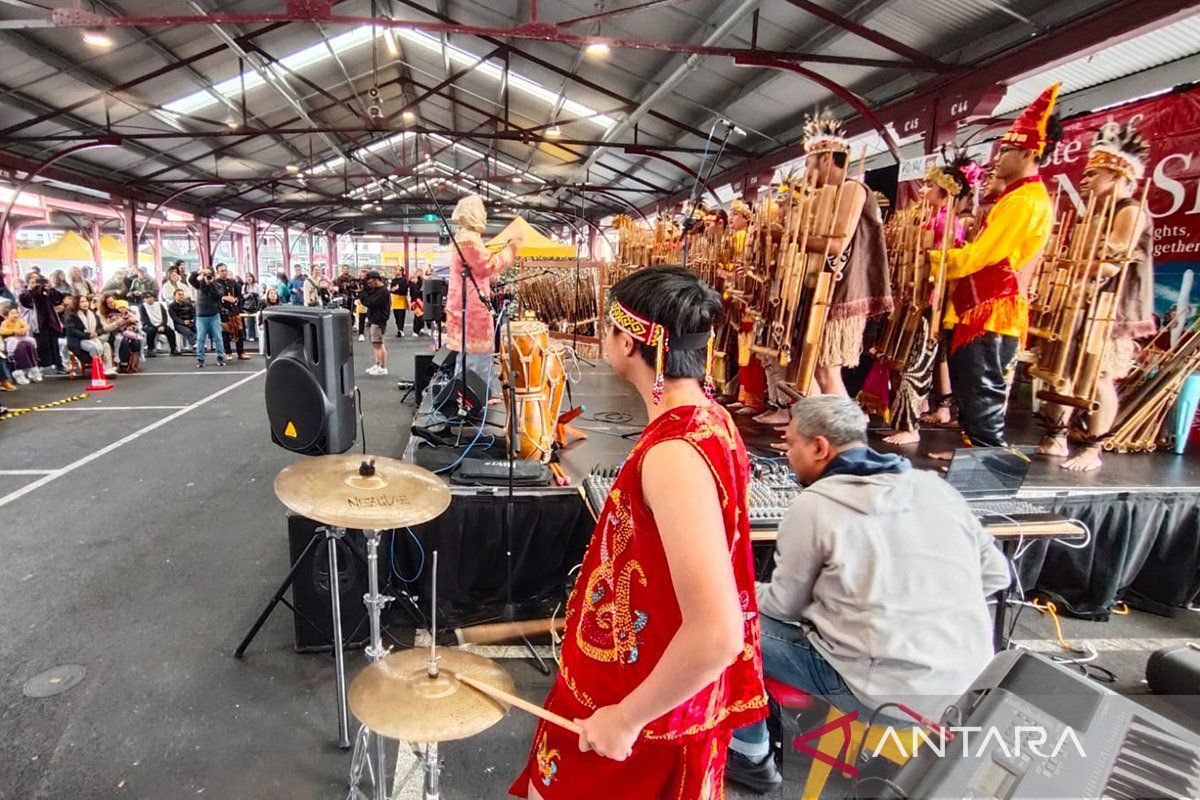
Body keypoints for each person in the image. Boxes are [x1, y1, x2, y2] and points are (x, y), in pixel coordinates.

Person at [511, 266, 766, 800]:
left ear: (629, 342)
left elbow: (719, 633)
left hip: (638, 716)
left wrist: (626, 718)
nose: (604, 337)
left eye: (608, 329)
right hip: (631, 685)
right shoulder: (711, 418)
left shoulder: (675, 455)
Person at [725, 395, 1011, 793]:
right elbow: (997, 574)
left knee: (729, 622)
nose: (787, 455)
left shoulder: (815, 506)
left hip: (882, 695)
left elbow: (782, 605)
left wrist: (740, 590)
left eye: (790, 444)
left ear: (820, 446)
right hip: (967, 687)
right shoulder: (934, 488)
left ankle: (749, 754)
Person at [928, 83, 1061, 458]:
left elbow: (982, 256)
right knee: (972, 386)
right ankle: (972, 456)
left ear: (1028, 153)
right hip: (981, 306)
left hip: (992, 309)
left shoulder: (1025, 200)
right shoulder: (1016, 197)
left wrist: (937, 261)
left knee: (983, 389)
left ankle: (988, 467)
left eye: (1005, 151)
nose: (998, 158)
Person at [1036, 120, 1155, 472]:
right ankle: (1056, 435)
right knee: (1064, 372)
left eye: (1093, 173)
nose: (1084, 180)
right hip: (1081, 301)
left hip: (1110, 308)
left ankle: (1094, 448)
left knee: (1098, 376)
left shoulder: (1130, 210)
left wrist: (1069, 267)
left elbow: (1111, 266)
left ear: (1118, 175)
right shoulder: (1094, 212)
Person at [884, 152, 982, 445]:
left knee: (918, 363)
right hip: (914, 296)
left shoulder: (949, 223)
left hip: (930, 302)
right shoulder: (928, 220)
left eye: (929, 186)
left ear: (946, 191)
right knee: (906, 362)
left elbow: (943, 267)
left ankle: (910, 426)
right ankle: (905, 420)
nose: (923, 190)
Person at [799, 114, 892, 399]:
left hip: (841, 293)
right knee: (813, 368)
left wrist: (793, 238)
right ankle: (815, 431)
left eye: (809, 164)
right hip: (828, 291)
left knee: (827, 370)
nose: (807, 173)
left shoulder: (852, 188)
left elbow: (837, 245)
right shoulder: (832, 193)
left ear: (826, 160)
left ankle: (845, 437)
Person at [446, 194, 520, 383]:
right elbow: (486, 265)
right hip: (471, 305)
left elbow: (478, 269)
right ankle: (474, 395)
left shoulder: (464, 237)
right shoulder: (469, 240)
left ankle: (471, 395)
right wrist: (510, 250)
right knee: (476, 353)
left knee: (469, 353)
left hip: (468, 300)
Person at [18, 273, 65, 373]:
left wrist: (51, 288)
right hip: (37, 322)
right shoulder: (25, 292)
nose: (36, 281)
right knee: (41, 344)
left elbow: (57, 300)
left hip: (50, 320)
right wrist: (31, 288)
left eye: (38, 279)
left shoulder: (45, 290)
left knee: (54, 344)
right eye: (33, 279)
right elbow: (25, 302)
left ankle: (58, 365)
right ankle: (44, 367)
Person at [188, 266, 227, 368]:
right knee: (200, 338)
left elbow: (217, 296)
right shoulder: (199, 284)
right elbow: (191, 279)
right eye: (206, 275)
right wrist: (199, 272)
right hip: (201, 316)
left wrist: (210, 284)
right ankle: (200, 359)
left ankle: (220, 357)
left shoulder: (217, 285)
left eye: (209, 274)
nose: (207, 277)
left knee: (218, 337)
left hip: (214, 315)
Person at [99, 293, 142, 373]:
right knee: (124, 341)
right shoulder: (102, 314)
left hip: (126, 331)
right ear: (105, 304)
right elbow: (105, 329)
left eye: (113, 301)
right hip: (111, 334)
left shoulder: (121, 309)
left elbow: (135, 320)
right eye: (109, 303)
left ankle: (133, 365)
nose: (112, 304)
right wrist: (118, 323)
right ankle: (123, 364)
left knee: (136, 341)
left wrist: (132, 327)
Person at [359, 271, 391, 376]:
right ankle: (378, 364)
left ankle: (383, 366)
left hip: (379, 320)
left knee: (379, 344)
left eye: (370, 281)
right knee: (375, 344)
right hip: (374, 319)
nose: (370, 284)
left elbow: (370, 302)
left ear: (376, 279)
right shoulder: (377, 290)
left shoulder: (383, 291)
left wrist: (362, 293)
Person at [1, 303, 43, 384]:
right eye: (12, 313)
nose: (15, 315)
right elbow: (2, 331)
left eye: (16, 313)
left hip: (21, 337)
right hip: (10, 338)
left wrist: (23, 330)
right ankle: (13, 356)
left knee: (30, 342)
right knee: (16, 344)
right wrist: (13, 331)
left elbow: (27, 326)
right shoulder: (5, 323)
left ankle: (34, 369)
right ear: (6, 316)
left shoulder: (19, 321)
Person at [74, 294, 115, 372]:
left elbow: (100, 328)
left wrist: (96, 333)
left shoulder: (92, 314)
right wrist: (88, 335)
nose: (84, 303)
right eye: (81, 302)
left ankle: (108, 369)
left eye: (85, 301)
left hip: (93, 337)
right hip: (80, 339)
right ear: (76, 303)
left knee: (106, 345)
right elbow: (73, 331)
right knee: (93, 348)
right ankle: (97, 369)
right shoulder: (72, 315)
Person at [215, 263, 248, 360]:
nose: (224, 273)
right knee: (225, 332)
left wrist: (235, 299)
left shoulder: (233, 282)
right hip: (222, 311)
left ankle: (240, 352)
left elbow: (240, 296)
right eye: (222, 271)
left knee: (239, 331)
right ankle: (228, 353)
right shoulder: (215, 284)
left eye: (225, 270)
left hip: (234, 310)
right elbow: (214, 297)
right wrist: (223, 298)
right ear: (218, 272)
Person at [139, 291, 179, 357]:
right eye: (147, 297)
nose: (150, 298)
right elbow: (144, 319)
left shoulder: (159, 305)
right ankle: (150, 349)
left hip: (161, 325)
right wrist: (155, 327)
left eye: (151, 297)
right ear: (144, 299)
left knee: (170, 331)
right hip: (148, 325)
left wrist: (163, 325)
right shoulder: (142, 307)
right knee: (151, 331)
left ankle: (173, 349)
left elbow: (164, 316)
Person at [241, 273, 262, 342]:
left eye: (250, 277)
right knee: (249, 323)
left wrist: (254, 294)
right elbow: (243, 296)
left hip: (256, 306)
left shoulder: (257, 286)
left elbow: (260, 295)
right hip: (247, 307)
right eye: (247, 277)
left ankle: (258, 336)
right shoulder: (244, 286)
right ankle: (251, 336)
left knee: (258, 321)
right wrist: (248, 295)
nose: (249, 278)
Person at [389, 269, 409, 337]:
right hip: (395, 299)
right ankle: (399, 328)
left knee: (401, 315)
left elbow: (405, 290)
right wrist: (393, 289)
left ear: (401, 271)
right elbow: (391, 289)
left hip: (402, 299)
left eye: (397, 269)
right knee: (396, 316)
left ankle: (401, 329)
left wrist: (397, 289)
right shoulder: (394, 280)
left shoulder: (404, 280)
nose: (396, 271)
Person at [407, 269, 425, 337]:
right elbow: (414, 293)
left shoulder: (421, 282)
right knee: (418, 316)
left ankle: (420, 328)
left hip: (420, 301)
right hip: (415, 301)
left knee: (421, 316)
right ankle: (415, 330)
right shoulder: (412, 284)